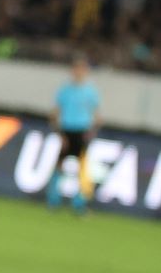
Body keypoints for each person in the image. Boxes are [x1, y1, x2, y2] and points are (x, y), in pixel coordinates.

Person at [46, 54, 101, 213]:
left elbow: (97, 115)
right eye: (76, 68)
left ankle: (79, 203)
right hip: (67, 131)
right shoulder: (65, 90)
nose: (78, 72)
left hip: (82, 132)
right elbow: (55, 112)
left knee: (82, 170)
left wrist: (92, 132)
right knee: (59, 166)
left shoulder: (90, 92)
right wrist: (59, 133)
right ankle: (53, 200)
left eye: (81, 69)